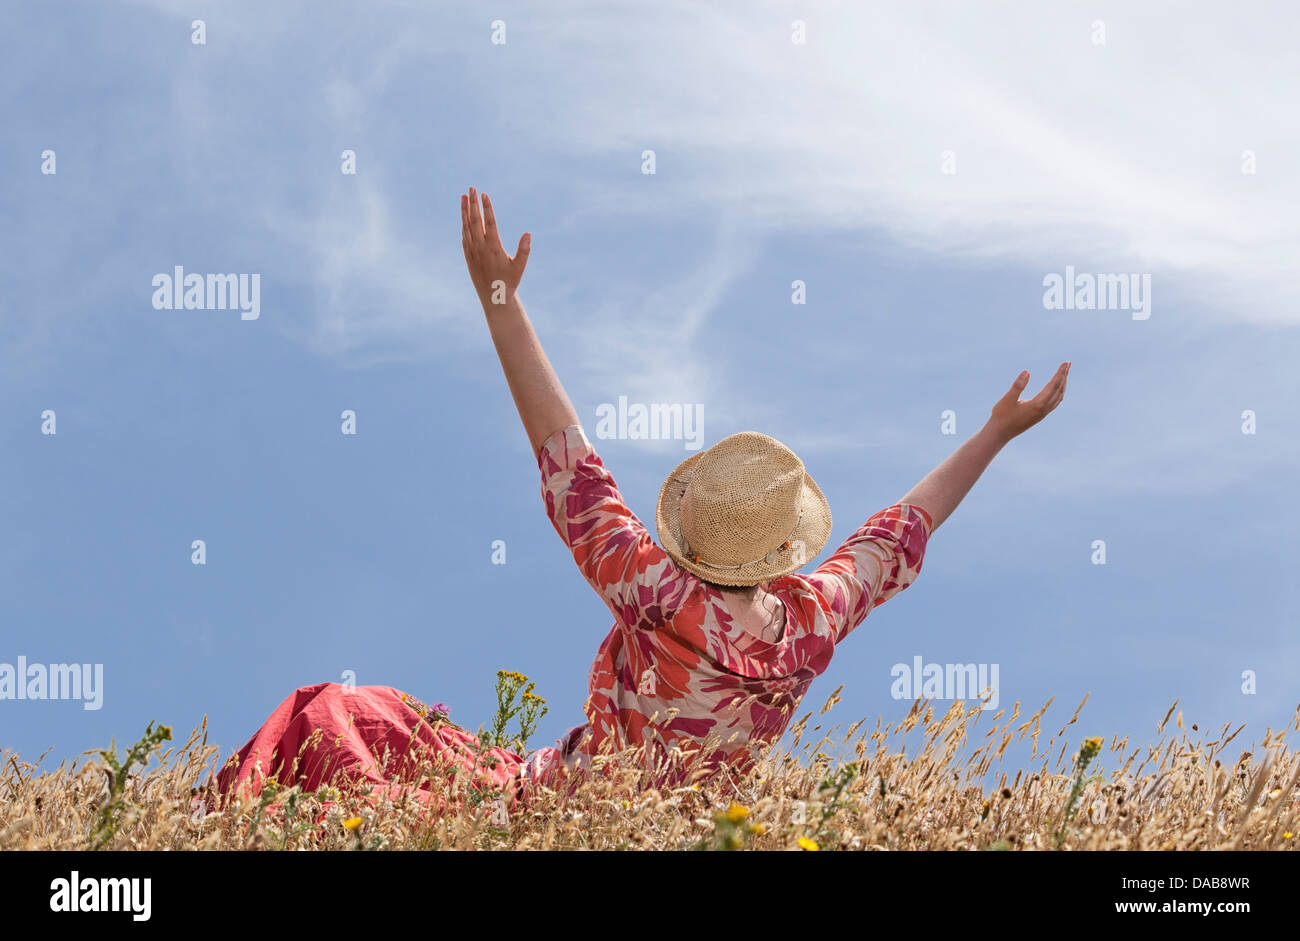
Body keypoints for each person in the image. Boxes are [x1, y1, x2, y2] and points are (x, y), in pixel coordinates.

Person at [213, 187, 1070, 810]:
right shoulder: (811, 623)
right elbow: (902, 530)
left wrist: (500, 300)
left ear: (690, 533)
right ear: (782, 550)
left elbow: (569, 463)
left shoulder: (659, 592)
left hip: (552, 810)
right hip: (677, 827)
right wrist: (993, 434)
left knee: (337, 716)